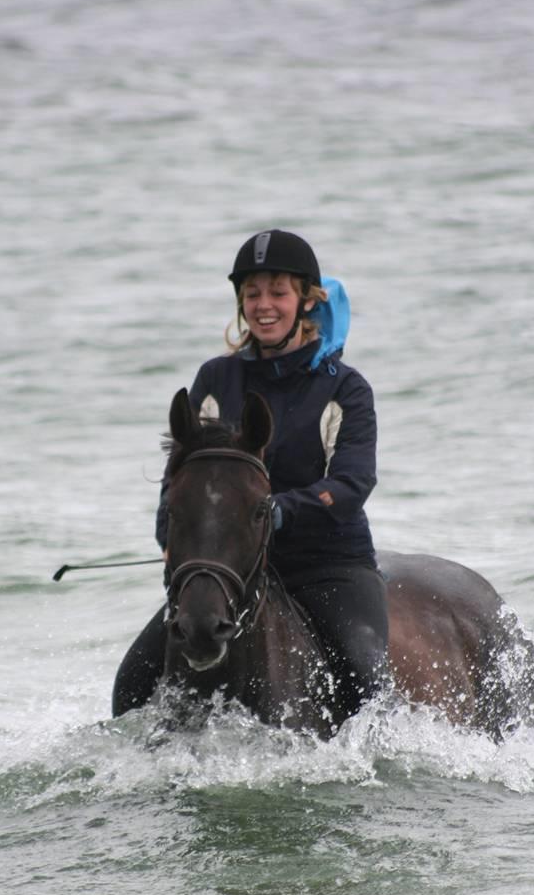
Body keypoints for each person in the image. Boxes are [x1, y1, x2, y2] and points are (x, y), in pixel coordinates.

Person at [112, 229, 388, 721]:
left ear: (306, 300)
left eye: (278, 293)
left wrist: (277, 513)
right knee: (132, 680)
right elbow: (179, 481)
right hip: (229, 569)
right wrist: (174, 549)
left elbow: (351, 485)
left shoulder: (345, 389)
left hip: (326, 564)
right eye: (252, 293)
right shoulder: (217, 379)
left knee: (365, 673)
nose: (264, 305)